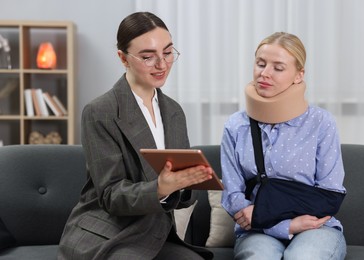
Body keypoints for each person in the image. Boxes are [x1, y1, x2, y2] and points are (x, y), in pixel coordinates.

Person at [58, 12, 213, 260]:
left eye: (168, 52)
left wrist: (186, 183)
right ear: (123, 58)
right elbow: (111, 196)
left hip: (156, 231)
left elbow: (184, 197)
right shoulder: (100, 112)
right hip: (110, 231)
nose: (162, 65)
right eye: (148, 57)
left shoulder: (174, 112)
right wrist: (161, 187)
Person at [221, 32, 347, 260]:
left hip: (314, 226)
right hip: (256, 230)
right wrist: (287, 225)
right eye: (260, 64)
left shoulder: (321, 122)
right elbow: (233, 194)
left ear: (299, 75)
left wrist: (288, 221)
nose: (264, 73)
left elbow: (331, 192)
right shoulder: (236, 125)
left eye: (278, 68)